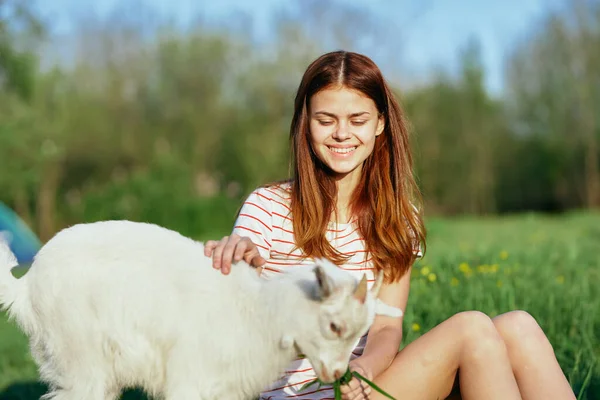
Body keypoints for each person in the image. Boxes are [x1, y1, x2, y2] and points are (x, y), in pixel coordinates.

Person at [204, 50, 576, 400]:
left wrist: (364, 368)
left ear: (380, 123)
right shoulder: (267, 206)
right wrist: (243, 259)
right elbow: (244, 261)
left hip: (365, 385)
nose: (341, 134)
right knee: (472, 329)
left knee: (518, 325)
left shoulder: (397, 217)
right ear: (306, 123)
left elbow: (385, 327)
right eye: (326, 120)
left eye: (357, 120)